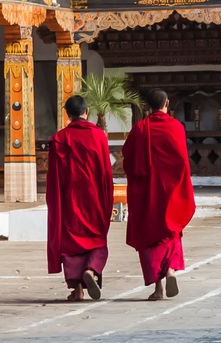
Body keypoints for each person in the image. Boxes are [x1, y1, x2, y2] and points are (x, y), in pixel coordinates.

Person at [123, 89, 196, 301]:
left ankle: (158, 288)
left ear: (147, 106)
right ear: (167, 103)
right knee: (170, 231)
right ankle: (171, 270)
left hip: (147, 193)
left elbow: (128, 159)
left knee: (150, 237)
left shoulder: (139, 129)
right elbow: (182, 161)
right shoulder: (176, 127)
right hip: (170, 191)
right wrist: (180, 186)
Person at [46, 94, 115, 302]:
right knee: (96, 238)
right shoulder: (98, 136)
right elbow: (105, 171)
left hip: (69, 199)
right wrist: (107, 199)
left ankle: (77, 290)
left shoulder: (59, 139)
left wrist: (55, 202)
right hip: (94, 198)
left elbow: (54, 177)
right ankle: (92, 270)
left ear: (67, 115)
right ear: (86, 112)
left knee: (71, 244)